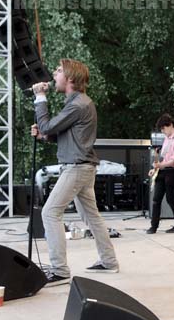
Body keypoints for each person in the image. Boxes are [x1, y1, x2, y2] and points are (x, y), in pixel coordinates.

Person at [30, 59, 120, 287]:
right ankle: (109, 261)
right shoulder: (78, 103)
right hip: (83, 166)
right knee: (92, 217)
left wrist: (40, 98)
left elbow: (49, 126)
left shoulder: (78, 104)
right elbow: (61, 135)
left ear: (70, 78)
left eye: (59, 70)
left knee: (50, 213)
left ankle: (59, 270)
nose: (54, 74)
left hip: (77, 167)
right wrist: (43, 135)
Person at [146, 113, 174, 234]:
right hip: (163, 170)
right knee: (156, 199)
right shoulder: (167, 139)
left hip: (173, 171)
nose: (163, 131)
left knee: (170, 199)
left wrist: (160, 165)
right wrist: (155, 168)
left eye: (163, 129)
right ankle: (153, 226)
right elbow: (164, 157)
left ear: (170, 125)